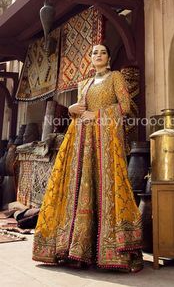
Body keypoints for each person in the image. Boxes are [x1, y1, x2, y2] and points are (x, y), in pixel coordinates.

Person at [32, 44, 143, 272]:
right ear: (90, 59)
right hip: (83, 143)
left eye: (102, 52)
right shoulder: (85, 83)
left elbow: (126, 107)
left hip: (106, 143)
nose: (98, 55)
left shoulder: (116, 78)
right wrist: (73, 109)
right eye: (94, 53)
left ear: (109, 58)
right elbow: (80, 110)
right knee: (81, 189)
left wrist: (98, 115)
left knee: (105, 189)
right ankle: (78, 249)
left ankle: (111, 250)